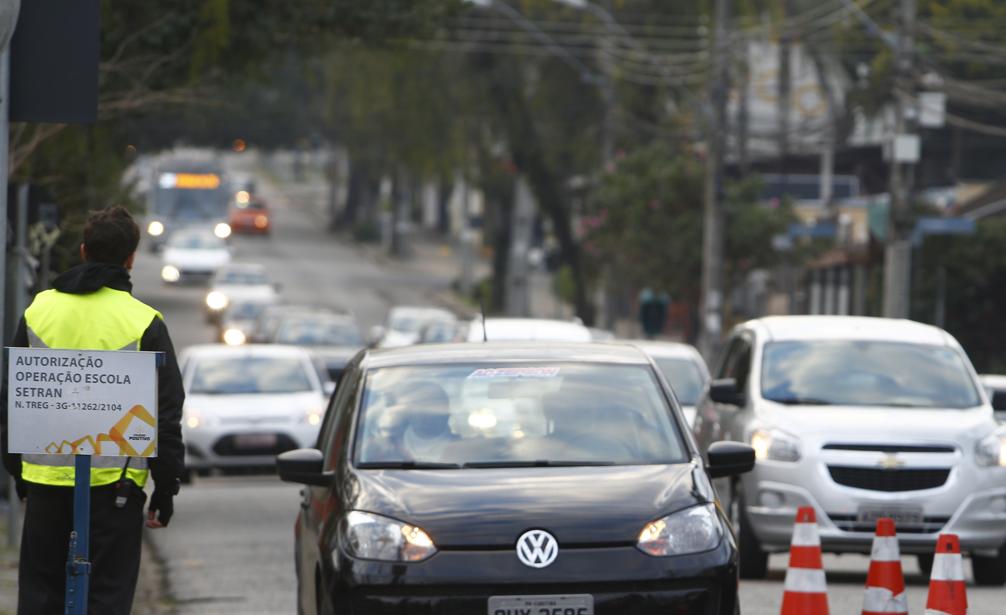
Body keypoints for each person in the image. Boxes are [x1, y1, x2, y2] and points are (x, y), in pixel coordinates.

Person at [0, 207, 185, 615]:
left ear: (83, 251)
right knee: (107, 597)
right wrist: (165, 487)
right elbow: (166, 412)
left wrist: (18, 471)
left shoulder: (38, 311)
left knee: (41, 595)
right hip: (116, 487)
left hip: (46, 483)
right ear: (130, 258)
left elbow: (13, 396)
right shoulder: (144, 322)